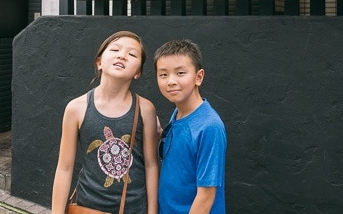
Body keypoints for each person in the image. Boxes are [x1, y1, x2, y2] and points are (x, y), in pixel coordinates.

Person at [52, 31, 160, 214]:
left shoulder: (145, 109)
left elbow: (151, 165)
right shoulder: (76, 108)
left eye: (132, 54)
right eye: (115, 49)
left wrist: (152, 211)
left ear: (138, 72)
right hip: (87, 206)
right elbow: (64, 167)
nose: (122, 55)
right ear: (99, 61)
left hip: (134, 208)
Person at [154, 39, 227, 214]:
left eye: (180, 73)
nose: (171, 81)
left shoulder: (209, 126)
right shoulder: (178, 114)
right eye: (163, 74)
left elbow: (206, 196)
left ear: (199, 77)